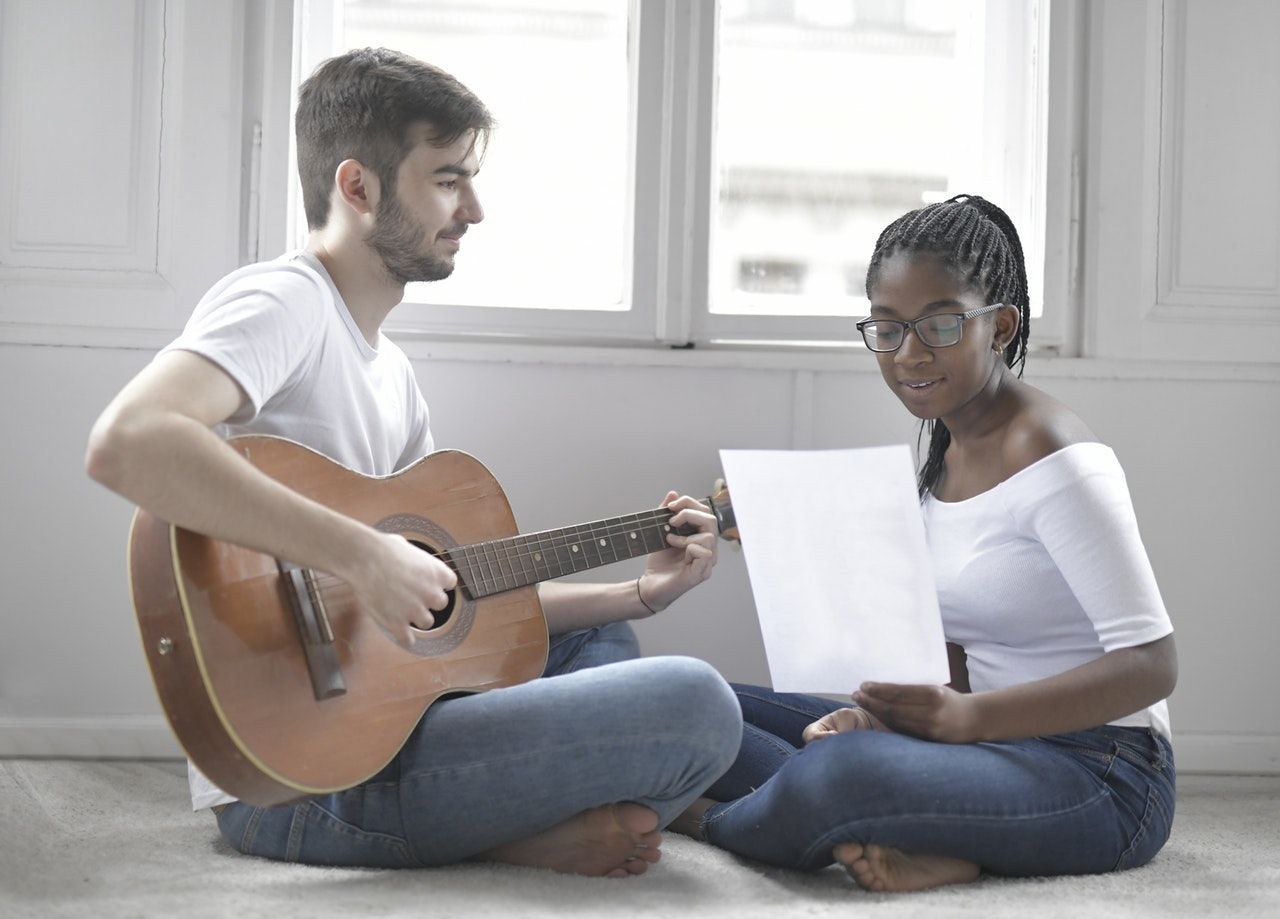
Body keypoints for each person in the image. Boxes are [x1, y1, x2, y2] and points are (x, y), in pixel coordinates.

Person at [85, 48, 740, 877]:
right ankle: (514, 829)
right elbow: (129, 441)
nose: (474, 208)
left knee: (601, 635)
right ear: (357, 188)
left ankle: (511, 824)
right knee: (695, 704)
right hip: (294, 780)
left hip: (385, 728)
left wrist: (643, 591)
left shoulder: (391, 373)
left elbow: (456, 602)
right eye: (447, 178)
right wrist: (362, 553)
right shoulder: (283, 300)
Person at [672, 194, 1177, 892]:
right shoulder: (946, 455)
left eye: (939, 324)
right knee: (691, 704)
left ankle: (695, 815)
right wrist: (879, 716)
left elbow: (1151, 666)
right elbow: (964, 658)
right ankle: (922, 833)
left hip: (1103, 773)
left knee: (838, 772)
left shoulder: (1057, 457)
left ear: (1000, 326)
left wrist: (965, 720)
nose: (909, 353)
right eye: (887, 327)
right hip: (985, 746)